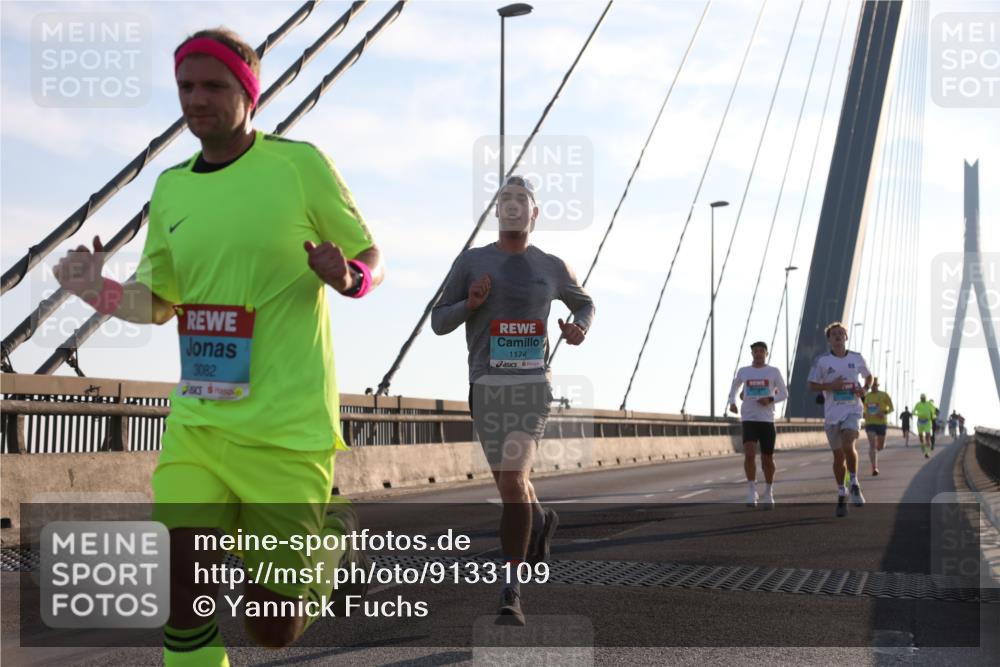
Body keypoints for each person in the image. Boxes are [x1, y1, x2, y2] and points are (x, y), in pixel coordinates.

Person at [55, 28, 384, 666]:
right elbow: (157, 303)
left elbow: (372, 255)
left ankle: (330, 534)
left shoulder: (299, 166)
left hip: (285, 430)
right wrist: (99, 290)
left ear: (248, 93)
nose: (196, 99)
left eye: (213, 85)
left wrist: (347, 276)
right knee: (183, 592)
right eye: (185, 86)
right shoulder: (172, 189)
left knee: (271, 627)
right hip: (200, 423)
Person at [432, 175, 595, 626]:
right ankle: (540, 520)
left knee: (511, 483)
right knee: (512, 485)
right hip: (485, 385)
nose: (513, 206)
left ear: (535, 213)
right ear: (496, 211)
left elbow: (585, 304)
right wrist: (470, 303)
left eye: (522, 200)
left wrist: (579, 328)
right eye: (505, 200)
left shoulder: (552, 266)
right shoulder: (472, 262)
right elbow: (438, 321)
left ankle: (511, 590)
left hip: (530, 387)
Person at [807, 322, 872, 517]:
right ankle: (841, 493)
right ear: (829, 340)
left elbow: (869, 377)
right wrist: (830, 385)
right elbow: (812, 386)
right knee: (838, 457)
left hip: (852, 410)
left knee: (848, 443)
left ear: (846, 337)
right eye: (833, 334)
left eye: (840, 333)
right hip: (832, 414)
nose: (837, 336)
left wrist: (865, 389)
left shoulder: (856, 357)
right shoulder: (822, 361)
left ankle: (854, 482)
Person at [727, 341, 788, 509]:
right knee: (749, 453)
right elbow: (734, 388)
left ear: (766, 354)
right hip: (749, 418)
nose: (759, 353)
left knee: (767, 458)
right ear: (752, 353)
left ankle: (768, 491)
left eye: (762, 351)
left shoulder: (773, 372)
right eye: (756, 351)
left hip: (767, 420)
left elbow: (784, 393)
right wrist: (732, 402)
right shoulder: (744, 371)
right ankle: (751, 490)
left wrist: (770, 399)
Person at [862, 378, 893, 476]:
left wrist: (884, 412)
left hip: (881, 423)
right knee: (872, 445)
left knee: (880, 446)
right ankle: (874, 467)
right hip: (870, 423)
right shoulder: (866, 397)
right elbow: (862, 408)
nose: (874, 387)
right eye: (872, 386)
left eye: (875, 385)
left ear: (877, 386)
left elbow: (891, 408)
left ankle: (877, 448)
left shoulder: (884, 395)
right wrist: (863, 414)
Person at [913, 394, 936, 459]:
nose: (923, 399)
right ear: (920, 398)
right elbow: (914, 411)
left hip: (927, 422)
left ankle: (927, 452)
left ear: (926, 398)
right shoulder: (918, 404)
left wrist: (933, 416)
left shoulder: (929, 404)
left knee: (927, 437)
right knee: (920, 437)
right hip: (920, 422)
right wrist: (916, 414)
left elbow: (933, 411)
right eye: (922, 398)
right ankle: (922, 445)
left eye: (924, 398)